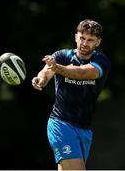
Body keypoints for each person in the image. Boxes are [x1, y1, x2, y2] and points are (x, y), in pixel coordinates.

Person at [32, 19, 111, 170]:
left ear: (98, 42)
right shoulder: (61, 56)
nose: (84, 43)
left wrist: (56, 67)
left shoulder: (101, 61)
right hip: (60, 124)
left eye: (90, 40)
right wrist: (40, 80)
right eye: (82, 38)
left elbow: (83, 73)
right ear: (76, 37)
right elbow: (45, 73)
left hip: (84, 129)